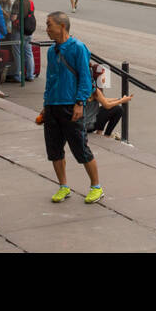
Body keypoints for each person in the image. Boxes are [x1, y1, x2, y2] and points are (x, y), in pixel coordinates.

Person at [40, 11, 103, 204]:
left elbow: (85, 77)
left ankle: (96, 187)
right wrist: (45, 105)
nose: (47, 28)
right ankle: (63, 186)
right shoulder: (52, 50)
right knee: (54, 150)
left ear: (62, 27)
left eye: (49, 24)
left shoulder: (78, 48)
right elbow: (49, 80)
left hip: (70, 105)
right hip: (53, 106)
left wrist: (79, 103)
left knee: (81, 148)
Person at [85, 63, 132, 138]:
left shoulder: (89, 86)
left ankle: (99, 133)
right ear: (98, 77)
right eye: (103, 76)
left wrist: (119, 99)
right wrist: (121, 101)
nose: (104, 78)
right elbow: (106, 105)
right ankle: (107, 135)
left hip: (83, 123)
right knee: (118, 109)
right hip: (89, 126)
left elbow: (103, 99)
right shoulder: (95, 90)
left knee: (103, 110)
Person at [10, 0, 36, 82]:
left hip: (18, 31)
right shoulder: (30, 1)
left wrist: (7, 15)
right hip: (28, 30)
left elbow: (13, 18)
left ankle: (18, 75)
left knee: (17, 53)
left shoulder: (17, 2)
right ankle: (30, 75)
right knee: (28, 52)